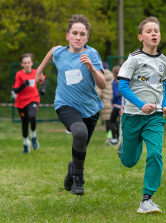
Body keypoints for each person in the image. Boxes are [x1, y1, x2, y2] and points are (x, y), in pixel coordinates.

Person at [35, 14, 106, 195]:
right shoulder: (60, 52)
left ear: (87, 38)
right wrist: (39, 71)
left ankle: (72, 170)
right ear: (67, 36)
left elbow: (103, 84)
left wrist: (91, 68)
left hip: (90, 109)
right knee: (79, 133)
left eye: (82, 34)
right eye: (74, 33)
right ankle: (78, 179)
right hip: (65, 104)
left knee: (81, 145)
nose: (78, 37)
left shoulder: (92, 54)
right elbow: (52, 51)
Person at [117, 16, 166, 214]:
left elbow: (161, 86)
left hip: (155, 117)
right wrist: (141, 105)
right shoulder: (134, 59)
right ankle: (123, 147)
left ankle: (147, 199)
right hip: (133, 115)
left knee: (155, 153)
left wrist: (164, 106)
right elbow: (122, 85)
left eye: (156, 31)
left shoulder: (165, 62)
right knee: (129, 161)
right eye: (149, 31)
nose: (154, 34)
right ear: (141, 37)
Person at [13, 53, 46, 154]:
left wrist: (43, 89)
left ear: (32, 63)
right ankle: (25, 143)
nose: (27, 64)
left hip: (33, 99)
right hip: (21, 102)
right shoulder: (19, 74)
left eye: (28, 62)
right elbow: (16, 90)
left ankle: (33, 136)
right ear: (22, 64)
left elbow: (44, 80)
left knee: (32, 116)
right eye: (25, 63)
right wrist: (25, 84)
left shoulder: (36, 72)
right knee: (24, 123)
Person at [95, 62, 114, 145]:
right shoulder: (113, 76)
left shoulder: (99, 77)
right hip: (115, 102)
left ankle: (109, 137)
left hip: (105, 103)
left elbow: (97, 92)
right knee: (114, 120)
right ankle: (115, 137)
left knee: (108, 121)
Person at [109, 65, 122, 145]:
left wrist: (112, 101)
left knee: (111, 121)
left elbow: (116, 94)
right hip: (124, 106)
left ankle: (114, 139)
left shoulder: (114, 82)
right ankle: (119, 136)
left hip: (117, 105)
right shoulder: (124, 81)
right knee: (120, 122)